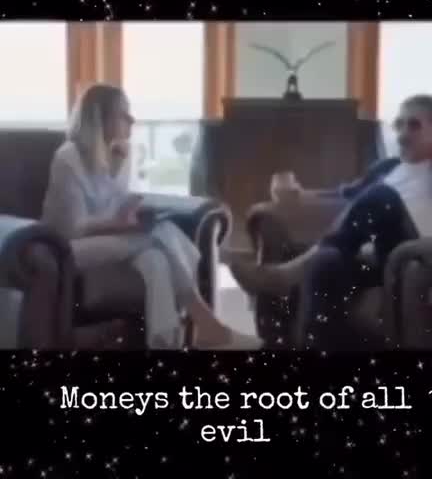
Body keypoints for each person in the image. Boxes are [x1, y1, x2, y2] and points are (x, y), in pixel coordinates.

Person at [42, 84, 262, 350]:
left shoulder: (119, 154)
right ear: (101, 119)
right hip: (67, 249)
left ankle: (165, 342)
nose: (132, 120)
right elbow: (72, 227)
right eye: (123, 114)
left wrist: (130, 211)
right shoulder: (68, 158)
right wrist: (117, 224)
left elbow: (115, 205)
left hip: (108, 241)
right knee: (160, 233)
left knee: (155, 259)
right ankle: (209, 324)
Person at [231, 94, 432, 349]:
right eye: (399, 125)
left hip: (413, 256)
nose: (403, 134)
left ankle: (288, 275)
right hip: (375, 257)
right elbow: (346, 195)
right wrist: (299, 195)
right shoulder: (388, 167)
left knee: (382, 197)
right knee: (326, 262)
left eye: (414, 125)